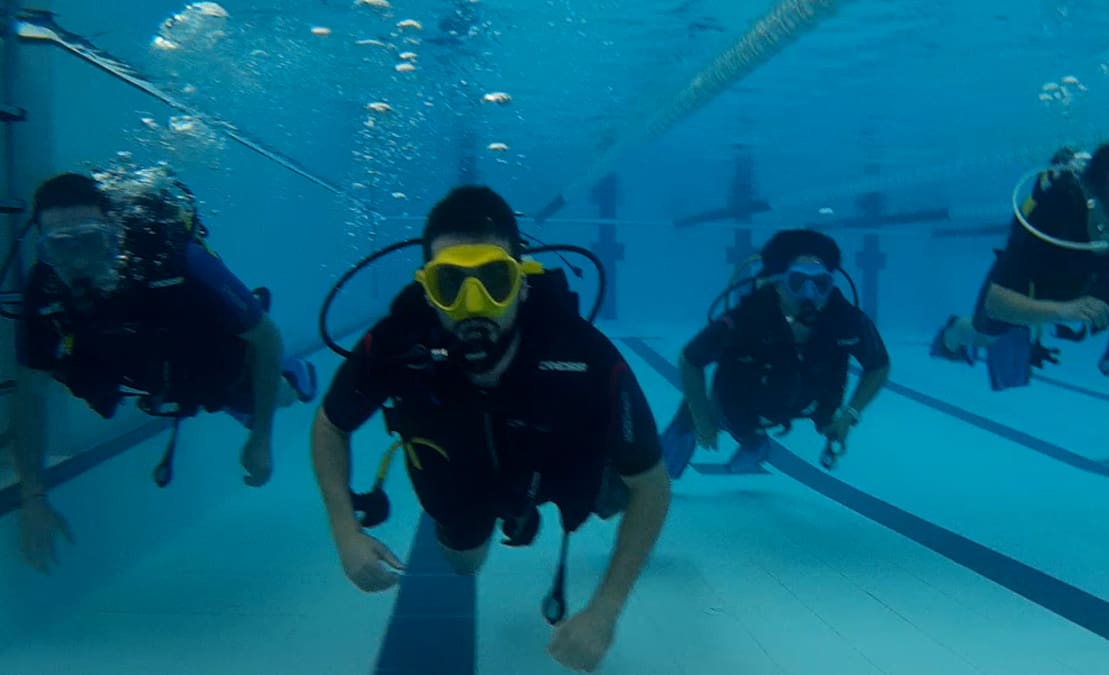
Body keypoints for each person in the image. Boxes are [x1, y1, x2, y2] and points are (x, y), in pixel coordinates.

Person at [311, 185, 670, 673]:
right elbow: (331, 425)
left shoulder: (583, 354)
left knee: (620, 489)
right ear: (426, 290)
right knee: (463, 562)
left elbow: (652, 485)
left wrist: (605, 610)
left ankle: (561, 494)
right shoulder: (399, 342)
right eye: (450, 286)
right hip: (461, 476)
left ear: (522, 283)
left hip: (555, 463)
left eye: (493, 280)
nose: (473, 306)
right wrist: (344, 531)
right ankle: (504, 515)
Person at [8, 170, 318, 573]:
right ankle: (185, 391)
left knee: (280, 396)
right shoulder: (44, 288)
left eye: (90, 239)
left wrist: (261, 439)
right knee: (73, 368)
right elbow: (29, 395)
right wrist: (34, 496)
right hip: (142, 364)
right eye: (60, 247)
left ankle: (295, 376)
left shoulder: (171, 253)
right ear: (43, 249)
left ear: (113, 231)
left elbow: (266, 337)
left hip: (208, 351)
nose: (78, 258)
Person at [931, 140, 1109, 390]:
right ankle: (951, 334)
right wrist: (1062, 311)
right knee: (987, 335)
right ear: (1090, 194)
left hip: (1087, 287)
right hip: (1035, 284)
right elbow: (996, 302)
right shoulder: (1053, 207)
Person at [660, 229, 891, 476]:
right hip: (741, 404)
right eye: (798, 282)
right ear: (778, 284)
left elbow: (878, 364)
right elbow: (690, 359)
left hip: (811, 402)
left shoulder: (846, 319)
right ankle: (745, 438)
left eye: (821, 283)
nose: (810, 294)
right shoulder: (746, 319)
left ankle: (755, 440)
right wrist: (701, 418)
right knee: (723, 419)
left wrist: (849, 415)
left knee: (825, 414)